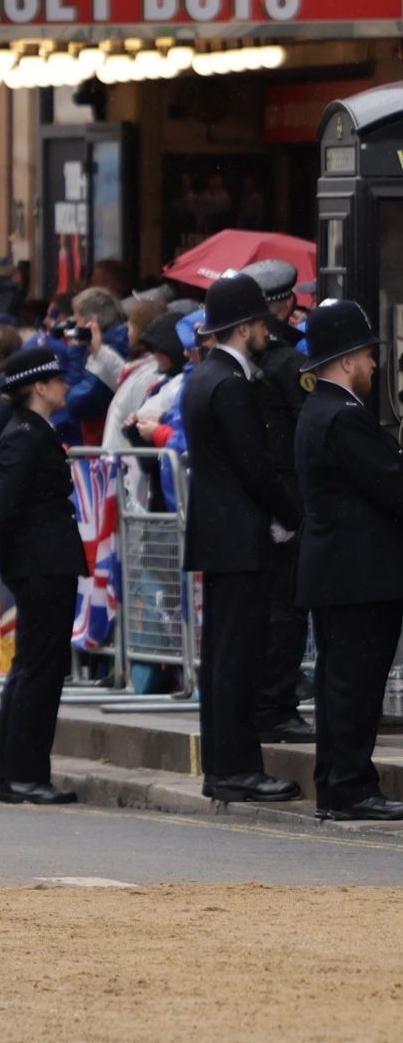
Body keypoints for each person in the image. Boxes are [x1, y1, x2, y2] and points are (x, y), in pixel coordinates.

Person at [179, 271, 304, 805]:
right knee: (239, 659)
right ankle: (237, 769)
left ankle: (225, 767)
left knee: (224, 657)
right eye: (260, 326)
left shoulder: (204, 377)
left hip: (220, 533)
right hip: (240, 535)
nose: (266, 335)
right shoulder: (231, 384)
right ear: (246, 327)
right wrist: (292, 514)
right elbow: (254, 467)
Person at [290, 302, 403, 821]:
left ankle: (336, 784)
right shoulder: (343, 416)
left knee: (339, 683)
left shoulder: (320, 411)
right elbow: (391, 485)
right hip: (359, 575)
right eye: (367, 355)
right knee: (354, 686)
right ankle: (351, 785)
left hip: (337, 571)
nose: (374, 365)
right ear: (346, 360)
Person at [0, 340, 87, 804]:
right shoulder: (25, 433)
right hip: (40, 563)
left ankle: (20, 773)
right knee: (37, 670)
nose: (65, 385)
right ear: (39, 386)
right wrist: (5, 560)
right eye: (58, 378)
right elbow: (9, 508)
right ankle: (23, 774)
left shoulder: (32, 428)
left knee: (35, 669)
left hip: (44, 561)